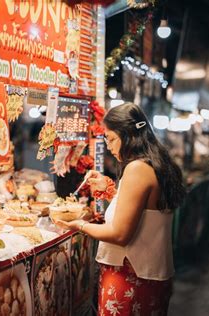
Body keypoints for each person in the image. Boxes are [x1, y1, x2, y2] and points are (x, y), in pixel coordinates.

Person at [55, 103, 186, 315]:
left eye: (111, 138)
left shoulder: (137, 169)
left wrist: (78, 224)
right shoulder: (155, 163)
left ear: (128, 136)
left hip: (131, 279)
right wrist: (108, 190)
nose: (108, 145)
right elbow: (145, 212)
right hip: (149, 275)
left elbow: (120, 233)